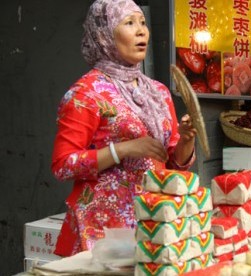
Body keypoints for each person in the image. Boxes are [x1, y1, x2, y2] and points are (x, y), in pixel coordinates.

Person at [51, 0, 196, 257]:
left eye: (142, 22)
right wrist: (125, 149)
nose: (141, 31)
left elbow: (173, 163)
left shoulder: (158, 92)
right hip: (102, 234)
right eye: (129, 23)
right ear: (104, 35)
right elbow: (63, 164)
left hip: (154, 222)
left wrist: (186, 141)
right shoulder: (86, 93)